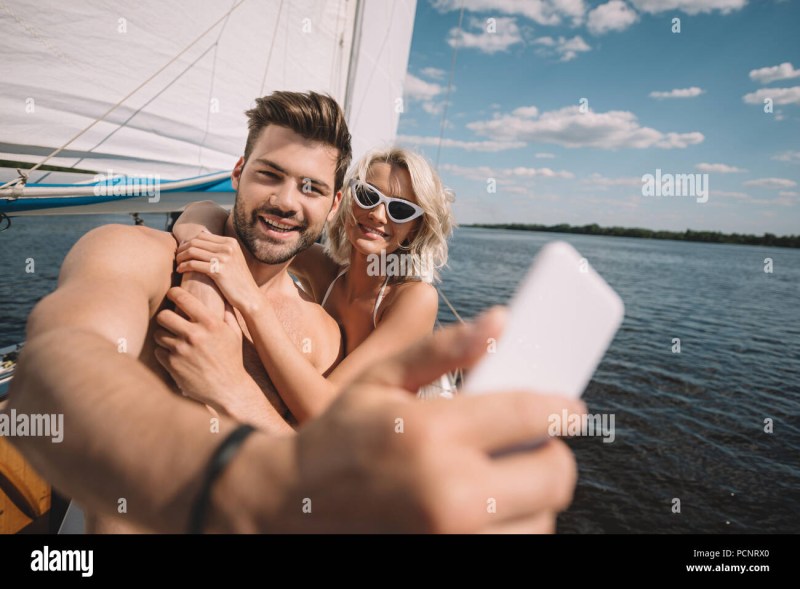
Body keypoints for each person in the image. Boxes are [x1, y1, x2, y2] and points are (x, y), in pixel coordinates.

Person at [4, 90, 584, 533]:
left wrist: (233, 388)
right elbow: (52, 375)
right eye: (269, 175)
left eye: (310, 187)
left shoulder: (329, 333)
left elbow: (320, 453)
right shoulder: (137, 256)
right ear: (237, 173)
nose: (285, 202)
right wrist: (238, 478)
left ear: (330, 204)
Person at [167, 147, 454, 423]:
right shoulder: (325, 269)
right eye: (368, 196)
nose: (378, 214)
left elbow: (325, 410)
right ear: (346, 200)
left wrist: (252, 301)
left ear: (414, 229)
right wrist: (199, 280)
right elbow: (212, 213)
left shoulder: (414, 299)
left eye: (400, 210)